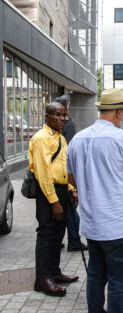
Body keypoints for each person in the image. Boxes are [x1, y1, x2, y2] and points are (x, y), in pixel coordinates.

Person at [67, 88, 123, 313]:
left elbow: (70, 177)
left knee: (95, 277)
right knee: (120, 282)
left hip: (92, 224)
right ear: (120, 112)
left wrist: (90, 184)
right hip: (119, 224)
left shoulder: (77, 138)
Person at [29, 102, 79, 297]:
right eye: (57, 115)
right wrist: (54, 201)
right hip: (48, 193)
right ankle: (42, 278)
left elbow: (62, 167)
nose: (62, 119)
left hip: (62, 190)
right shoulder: (41, 138)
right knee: (46, 235)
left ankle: (54, 272)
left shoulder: (60, 138)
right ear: (47, 116)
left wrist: (70, 189)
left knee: (58, 235)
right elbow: (43, 173)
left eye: (63, 115)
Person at [54, 95, 87, 252]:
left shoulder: (50, 130)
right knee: (72, 214)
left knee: (63, 213)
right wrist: (72, 188)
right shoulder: (67, 125)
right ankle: (73, 241)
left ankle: (58, 240)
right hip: (61, 179)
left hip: (60, 180)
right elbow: (69, 154)